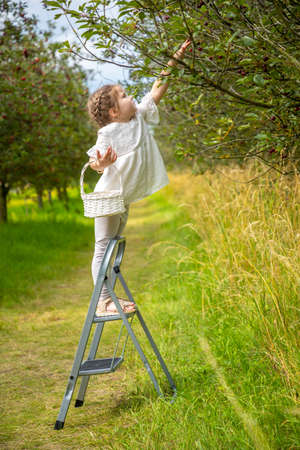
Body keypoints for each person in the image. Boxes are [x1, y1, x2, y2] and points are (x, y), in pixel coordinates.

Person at [86, 39, 191, 316]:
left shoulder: (138, 118)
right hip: (108, 198)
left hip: (123, 198)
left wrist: (174, 60)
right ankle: (104, 301)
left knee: (111, 248)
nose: (129, 96)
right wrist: (101, 163)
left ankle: (109, 298)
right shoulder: (108, 133)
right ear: (113, 112)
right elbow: (94, 160)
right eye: (123, 96)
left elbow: (156, 90)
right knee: (102, 249)